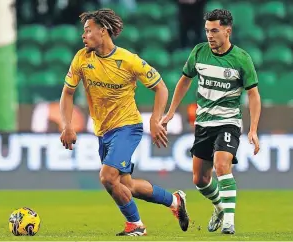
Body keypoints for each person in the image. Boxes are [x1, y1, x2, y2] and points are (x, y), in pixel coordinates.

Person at [59, 9, 189, 236]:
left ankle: (136, 225)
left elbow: (161, 88)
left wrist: (155, 120)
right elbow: (67, 93)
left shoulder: (128, 60)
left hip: (128, 126)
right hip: (103, 130)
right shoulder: (82, 58)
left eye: (88, 31)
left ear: (103, 30)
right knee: (126, 186)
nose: (83, 36)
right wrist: (67, 125)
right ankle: (174, 201)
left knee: (107, 177)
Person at [161, 9, 261, 234]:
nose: (210, 35)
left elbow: (254, 95)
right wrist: (170, 112)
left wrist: (253, 129)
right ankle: (219, 208)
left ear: (228, 31)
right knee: (200, 179)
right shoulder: (199, 52)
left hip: (228, 123)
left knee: (222, 165)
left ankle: (229, 222)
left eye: (214, 31)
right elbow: (184, 81)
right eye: (207, 30)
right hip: (203, 124)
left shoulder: (241, 59)